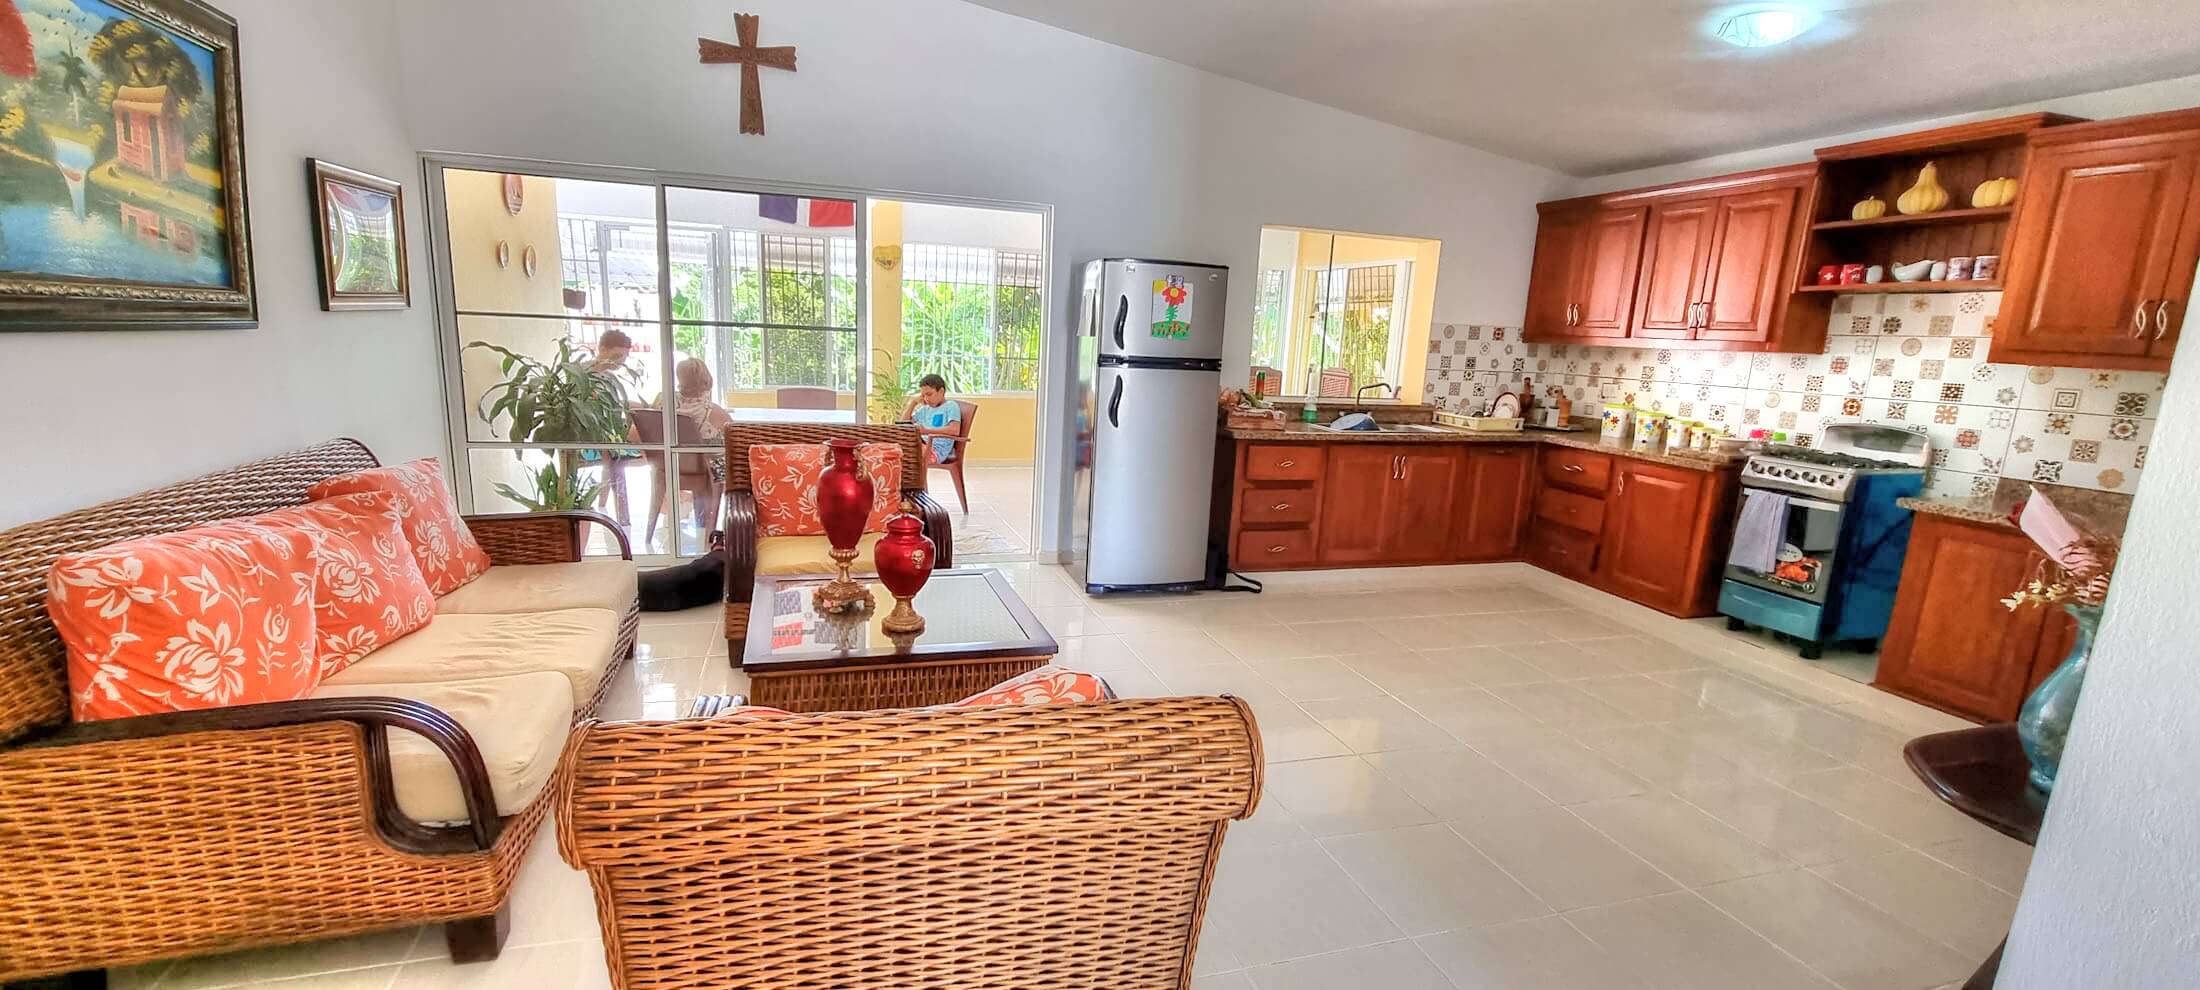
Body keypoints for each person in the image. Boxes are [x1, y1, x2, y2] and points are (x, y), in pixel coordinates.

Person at [664, 357, 734, 445]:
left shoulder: (663, 403)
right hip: (703, 454)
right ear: (707, 380)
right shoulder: (715, 413)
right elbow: (737, 437)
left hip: (665, 453)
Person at [901, 373, 964, 465]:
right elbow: (903, 424)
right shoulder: (925, 409)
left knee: (898, 452)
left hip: (934, 452)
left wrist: (926, 431)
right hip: (921, 444)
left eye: (929, 394)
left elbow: (955, 430)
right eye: (923, 396)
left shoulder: (950, 406)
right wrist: (913, 403)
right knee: (892, 448)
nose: (926, 399)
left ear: (941, 391)